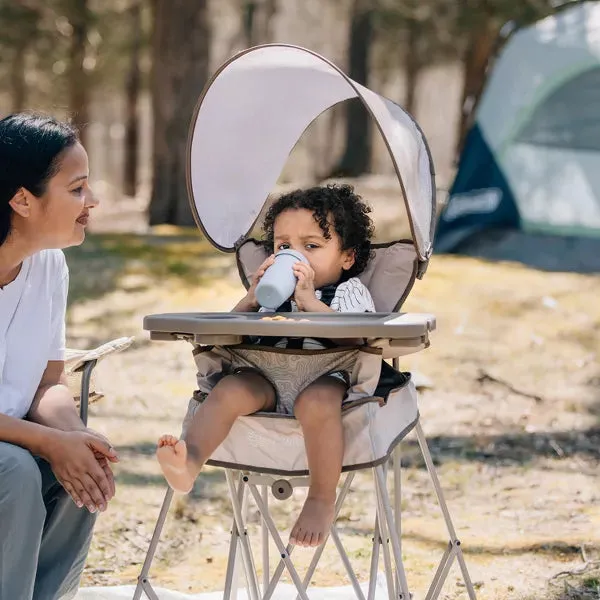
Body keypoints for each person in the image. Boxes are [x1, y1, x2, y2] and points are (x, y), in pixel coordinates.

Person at [157, 184, 377, 548]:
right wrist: (249, 300)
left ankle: (322, 497)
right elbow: (226, 333)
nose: (296, 257)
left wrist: (311, 305)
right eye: (283, 247)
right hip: (265, 379)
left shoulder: (349, 291)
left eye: (312, 246)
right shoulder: (270, 294)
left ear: (347, 257)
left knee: (317, 402)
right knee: (230, 389)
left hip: (326, 375)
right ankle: (189, 461)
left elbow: (360, 335)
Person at [0, 113, 119, 600]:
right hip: (11, 456)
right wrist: (46, 442)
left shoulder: (50, 265)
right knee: (17, 471)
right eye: (76, 188)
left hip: (14, 438)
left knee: (81, 466)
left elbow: (48, 383)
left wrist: (73, 434)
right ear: (23, 198)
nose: (91, 202)